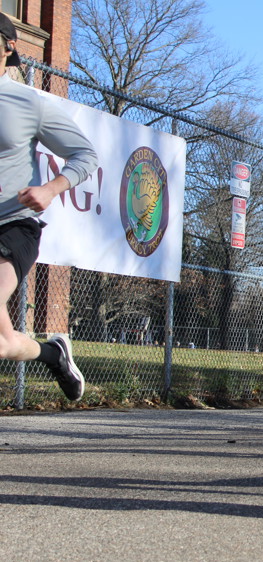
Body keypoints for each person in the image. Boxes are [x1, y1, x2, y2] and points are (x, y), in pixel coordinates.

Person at [0, 17, 97, 403]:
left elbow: (85, 154)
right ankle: (53, 354)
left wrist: (51, 188)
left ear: (8, 46)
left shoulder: (28, 102)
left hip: (12, 225)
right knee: (5, 343)